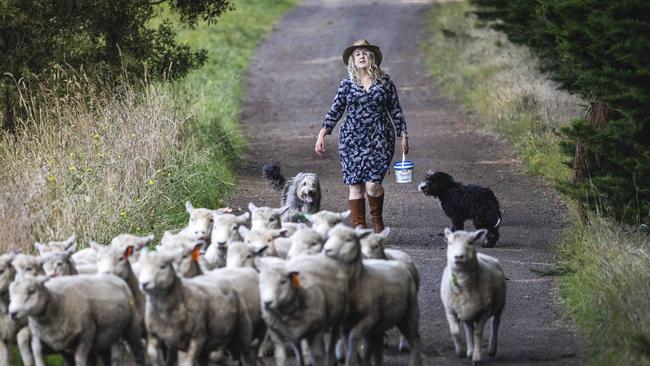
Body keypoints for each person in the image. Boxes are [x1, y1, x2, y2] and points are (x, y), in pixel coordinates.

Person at [315, 39, 409, 233]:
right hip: (351, 140)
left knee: (373, 184)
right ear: (353, 61)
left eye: (365, 53)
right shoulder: (347, 84)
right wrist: (322, 133)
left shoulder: (385, 82)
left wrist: (404, 134)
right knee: (355, 185)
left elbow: (395, 110)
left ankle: (377, 223)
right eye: (357, 54)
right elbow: (336, 109)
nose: (361, 57)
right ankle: (360, 228)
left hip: (380, 139)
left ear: (372, 58)